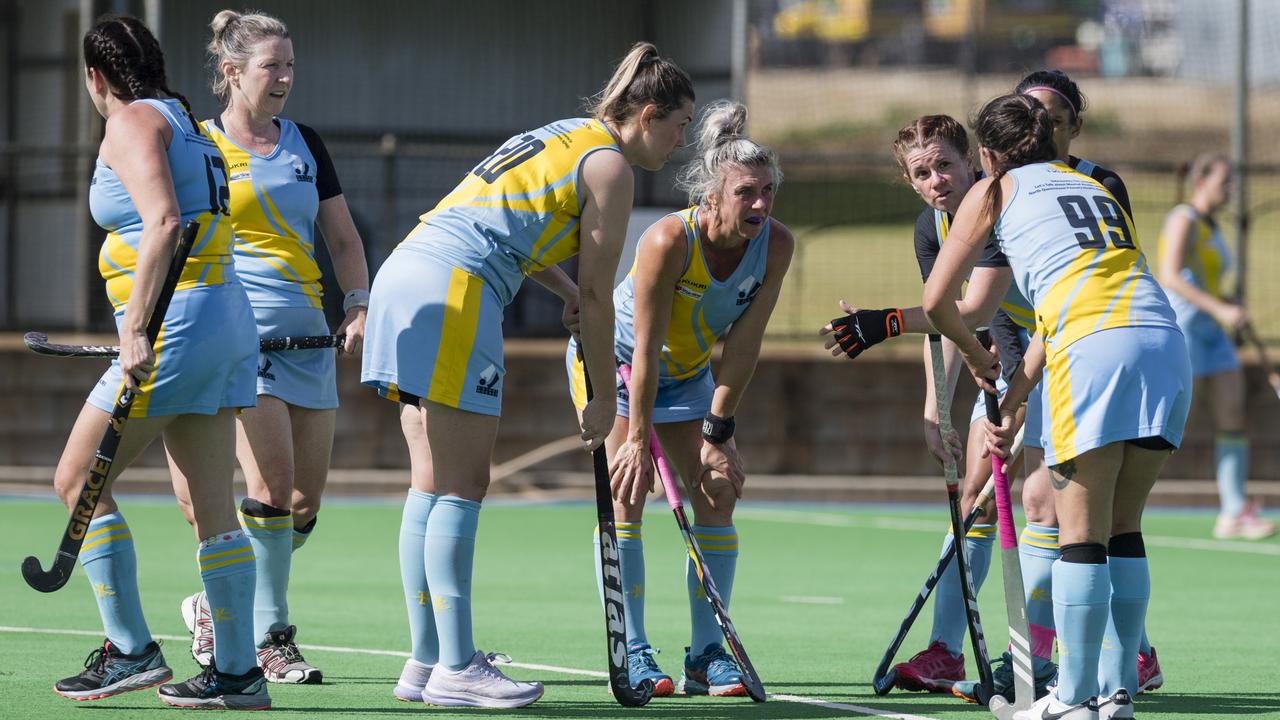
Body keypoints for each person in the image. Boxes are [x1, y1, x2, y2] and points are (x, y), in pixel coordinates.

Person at [360, 42, 694, 709]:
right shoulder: (612, 168)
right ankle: (457, 667)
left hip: (404, 274)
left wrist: (564, 285)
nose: (681, 142)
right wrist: (604, 397)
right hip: (456, 289)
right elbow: (603, 303)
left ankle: (426, 661)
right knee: (463, 483)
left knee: (430, 481)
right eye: (680, 126)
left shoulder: (561, 136)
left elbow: (507, 227)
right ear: (649, 114)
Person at [923, 93, 1190, 720]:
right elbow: (1061, 310)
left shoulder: (990, 191)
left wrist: (973, 355)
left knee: (1079, 535)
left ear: (986, 155)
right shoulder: (1086, 184)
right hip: (1160, 341)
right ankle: (1117, 691)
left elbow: (940, 304)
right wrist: (1013, 400)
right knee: (1124, 530)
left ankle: (1071, 697)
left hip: (1091, 350)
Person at [51, 14, 266, 710]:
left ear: (95, 76)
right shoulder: (184, 118)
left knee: (76, 478)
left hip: (179, 325)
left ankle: (131, 650)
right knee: (212, 509)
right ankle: (237, 673)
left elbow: (165, 222)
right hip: (224, 320)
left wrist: (137, 328)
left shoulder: (132, 122)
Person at [565, 101, 792, 697]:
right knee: (627, 490)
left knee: (717, 490)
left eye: (769, 191)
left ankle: (707, 653)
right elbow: (643, 348)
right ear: (710, 196)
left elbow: (743, 346)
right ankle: (633, 648)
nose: (762, 205)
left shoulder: (777, 245)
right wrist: (637, 438)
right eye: (747, 193)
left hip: (688, 374)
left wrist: (719, 434)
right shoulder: (669, 239)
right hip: (614, 363)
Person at [175, 9, 371, 686]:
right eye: (271, 66)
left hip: (310, 336)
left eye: (290, 66)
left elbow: (343, 240)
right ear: (232, 72)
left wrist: (359, 303)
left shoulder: (305, 143)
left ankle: (215, 600)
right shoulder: (198, 143)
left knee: (305, 504)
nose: (285, 77)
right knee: (272, 487)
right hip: (238, 334)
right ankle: (271, 637)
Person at [1157, 153, 1276, 541]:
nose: (1232, 189)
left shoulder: (1212, 226)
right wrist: (1220, 308)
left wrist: (1227, 303)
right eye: (1225, 181)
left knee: (1233, 415)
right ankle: (1123, 501)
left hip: (1214, 334)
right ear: (1200, 182)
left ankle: (1232, 511)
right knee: (1177, 422)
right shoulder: (1183, 219)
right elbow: (1170, 276)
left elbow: (1203, 280)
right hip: (1185, 329)